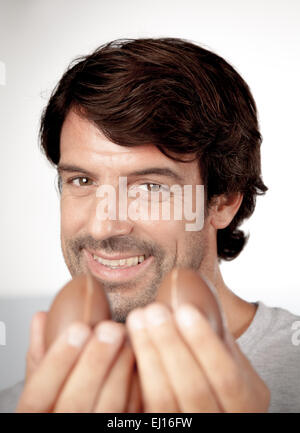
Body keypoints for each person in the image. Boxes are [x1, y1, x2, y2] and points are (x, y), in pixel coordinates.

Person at [1, 37, 299, 413]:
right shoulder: (26, 405)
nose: (103, 226)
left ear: (223, 201)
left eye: (150, 186)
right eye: (82, 181)